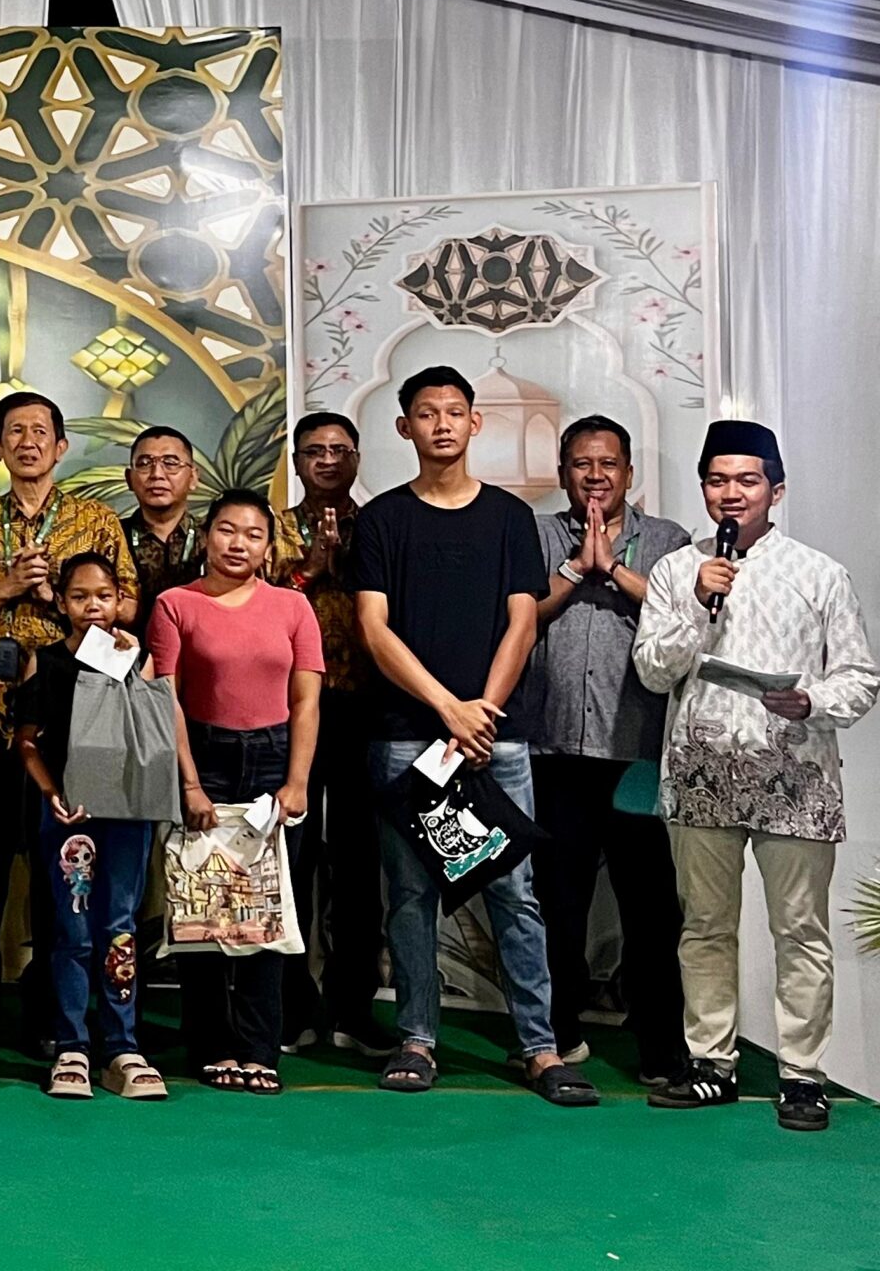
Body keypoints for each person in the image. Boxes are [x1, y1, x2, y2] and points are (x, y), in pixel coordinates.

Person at [353, 365, 592, 1105]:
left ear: (475, 422)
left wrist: (482, 710)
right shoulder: (382, 518)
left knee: (515, 892)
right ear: (405, 427)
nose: (443, 424)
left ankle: (540, 1049)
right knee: (410, 895)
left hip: (497, 738)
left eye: (455, 411)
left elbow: (523, 621)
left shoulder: (510, 518)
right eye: (427, 413)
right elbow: (373, 628)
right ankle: (417, 1039)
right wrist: (446, 708)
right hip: (408, 735)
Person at [636, 420, 877, 1132]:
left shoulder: (819, 573)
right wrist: (694, 605)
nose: (731, 493)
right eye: (717, 480)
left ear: (776, 489)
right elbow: (652, 671)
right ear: (704, 489)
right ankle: (711, 1064)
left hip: (796, 774)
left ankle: (802, 1076)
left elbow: (860, 677)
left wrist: (812, 702)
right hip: (701, 773)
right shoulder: (678, 571)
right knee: (705, 926)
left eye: (747, 480)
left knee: (799, 928)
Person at [0, 389, 134, 1059]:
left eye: (40, 432)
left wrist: (60, 596)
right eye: (14, 432)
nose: (27, 442)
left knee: (63, 879)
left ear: (60, 446)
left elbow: (127, 606)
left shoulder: (96, 520)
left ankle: (55, 1016)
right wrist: (7, 584)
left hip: (70, 730)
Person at [527, 415, 690, 1084]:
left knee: (650, 908)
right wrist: (576, 568)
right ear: (563, 471)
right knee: (557, 902)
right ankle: (557, 1036)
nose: (595, 476)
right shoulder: (537, 534)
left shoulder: (669, 540)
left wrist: (614, 571)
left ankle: (661, 1047)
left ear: (629, 472)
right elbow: (522, 614)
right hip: (554, 748)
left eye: (608, 464)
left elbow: (680, 617)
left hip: (638, 754)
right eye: (581, 464)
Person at [153, 490, 323, 1095]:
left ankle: (258, 1048)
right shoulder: (175, 604)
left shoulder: (294, 606)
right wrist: (190, 783)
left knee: (265, 911)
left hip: (274, 756)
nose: (238, 544)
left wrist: (297, 780)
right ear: (206, 537)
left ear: (269, 547)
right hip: (203, 754)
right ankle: (210, 1045)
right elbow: (166, 699)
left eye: (253, 534)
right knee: (201, 907)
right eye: (227, 530)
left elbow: (306, 699)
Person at [17, 552, 167, 1101]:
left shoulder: (138, 657)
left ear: (120, 599)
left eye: (103, 595)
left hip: (127, 813)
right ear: (60, 602)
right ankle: (72, 1045)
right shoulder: (45, 661)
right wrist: (52, 794)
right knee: (73, 928)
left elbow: (151, 734)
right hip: (69, 816)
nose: (93, 606)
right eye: (79, 596)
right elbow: (26, 742)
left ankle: (122, 1046)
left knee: (120, 924)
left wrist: (130, 660)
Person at [268, 410, 387, 1055]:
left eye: (340, 450)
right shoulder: (271, 528)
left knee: (359, 862)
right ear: (296, 462)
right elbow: (254, 605)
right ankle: (292, 1006)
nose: (328, 461)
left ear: (358, 459)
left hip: (366, 707)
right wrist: (309, 568)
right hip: (287, 708)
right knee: (291, 856)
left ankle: (353, 1008)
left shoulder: (382, 524)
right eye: (315, 451)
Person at [123, 425, 203, 633]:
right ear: (129, 478)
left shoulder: (213, 538)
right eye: (144, 463)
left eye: (170, 463)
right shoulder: (110, 537)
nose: (157, 474)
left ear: (193, 477)